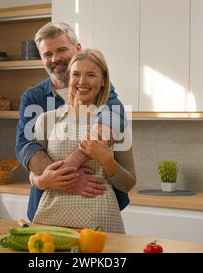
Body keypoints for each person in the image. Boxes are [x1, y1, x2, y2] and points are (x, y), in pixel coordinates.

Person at [15, 22, 129, 222]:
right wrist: (69, 180)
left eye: (61, 50)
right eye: (47, 54)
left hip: (97, 210)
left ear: (78, 49)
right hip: (48, 205)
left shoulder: (100, 90)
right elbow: (26, 147)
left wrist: (69, 166)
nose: (55, 59)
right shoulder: (33, 98)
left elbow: (113, 119)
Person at [31, 48, 136, 233]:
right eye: (76, 74)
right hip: (51, 222)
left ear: (103, 81)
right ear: (68, 79)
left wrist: (106, 159)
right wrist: (41, 181)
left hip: (101, 223)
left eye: (91, 75)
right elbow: (34, 173)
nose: (82, 81)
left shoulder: (114, 123)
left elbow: (128, 183)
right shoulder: (47, 120)